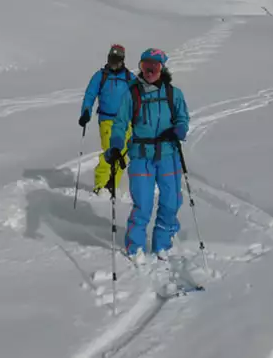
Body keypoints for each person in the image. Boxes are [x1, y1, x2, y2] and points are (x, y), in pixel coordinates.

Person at [105, 48, 190, 259]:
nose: (149, 71)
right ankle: (135, 248)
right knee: (142, 203)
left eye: (154, 66)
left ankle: (163, 244)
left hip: (168, 153)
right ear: (141, 67)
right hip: (141, 156)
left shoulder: (173, 94)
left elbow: (182, 118)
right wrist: (115, 144)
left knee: (172, 201)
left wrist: (179, 130)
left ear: (162, 68)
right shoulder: (131, 94)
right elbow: (120, 123)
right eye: (145, 66)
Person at [79, 44, 133, 195]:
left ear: (122, 60)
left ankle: (113, 183)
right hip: (107, 120)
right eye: (111, 58)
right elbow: (90, 94)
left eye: (116, 59)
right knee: (110, 151)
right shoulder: (101, 76)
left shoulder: (129, 78)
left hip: (125, 122)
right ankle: (100, 185)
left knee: (123, 154)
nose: (113, 62)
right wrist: (85, 112)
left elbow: (138, 98)